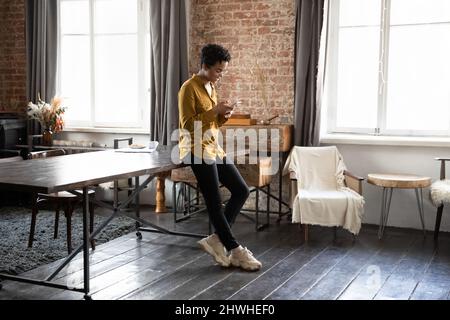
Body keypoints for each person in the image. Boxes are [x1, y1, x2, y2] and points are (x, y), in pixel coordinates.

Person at [177, 44, 262, 271]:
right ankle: (235, 249)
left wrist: (223, 116)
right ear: (204, 66)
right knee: (214, 203)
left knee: (241, 190)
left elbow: (212, 123)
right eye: (217, 70)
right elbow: (186, 125)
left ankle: (216, 239)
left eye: (223, 71)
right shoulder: (188, 88)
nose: (220, 75)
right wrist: (214, 112)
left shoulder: (211, 88)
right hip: (196, 149)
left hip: (214, 147)